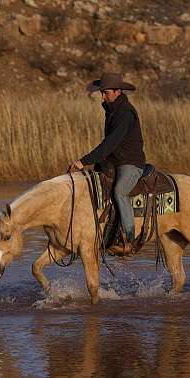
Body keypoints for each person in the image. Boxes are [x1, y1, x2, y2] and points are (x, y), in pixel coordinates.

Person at [69, 72, 146, 254]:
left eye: (106, 93)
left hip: (131, 163)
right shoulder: (112, 111)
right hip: (115, 162)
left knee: (120, 192)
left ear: (118, 91)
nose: (103, 96)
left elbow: (110, 143)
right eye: (101, 93)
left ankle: (129, 239)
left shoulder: (125, 113)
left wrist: (84, 161)